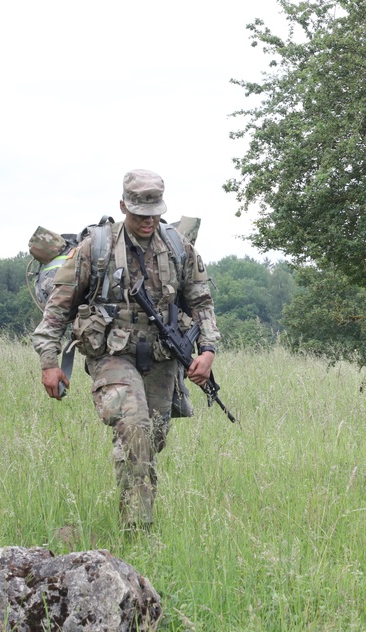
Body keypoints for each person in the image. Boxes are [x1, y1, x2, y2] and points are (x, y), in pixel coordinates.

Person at [32, 169, 221, 530]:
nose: (148, 222)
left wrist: (207, 350)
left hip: (163, 357)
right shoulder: (96, 248)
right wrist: (49, 362)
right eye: (139, 215)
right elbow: (58, 308)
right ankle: (138, 533)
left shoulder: (180, 248)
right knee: (134, 429)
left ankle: (136, 505)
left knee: (151, 439)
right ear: (123, 206)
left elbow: (202, 302)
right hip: (111, 354)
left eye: (154, 215)